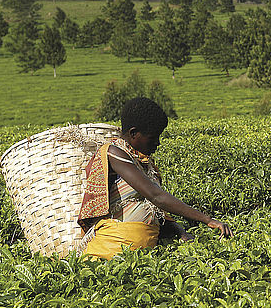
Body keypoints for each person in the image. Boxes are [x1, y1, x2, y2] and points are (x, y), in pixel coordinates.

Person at [78, 97, 233, 260]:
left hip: (141, 258)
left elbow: (155, 210)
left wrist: (181, 232)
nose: (158, 143)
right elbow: (156, 197)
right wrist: (207, 219)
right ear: (133, 133)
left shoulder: (143, 163)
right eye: (153, 138)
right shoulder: (114, 153)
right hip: (108, 254)